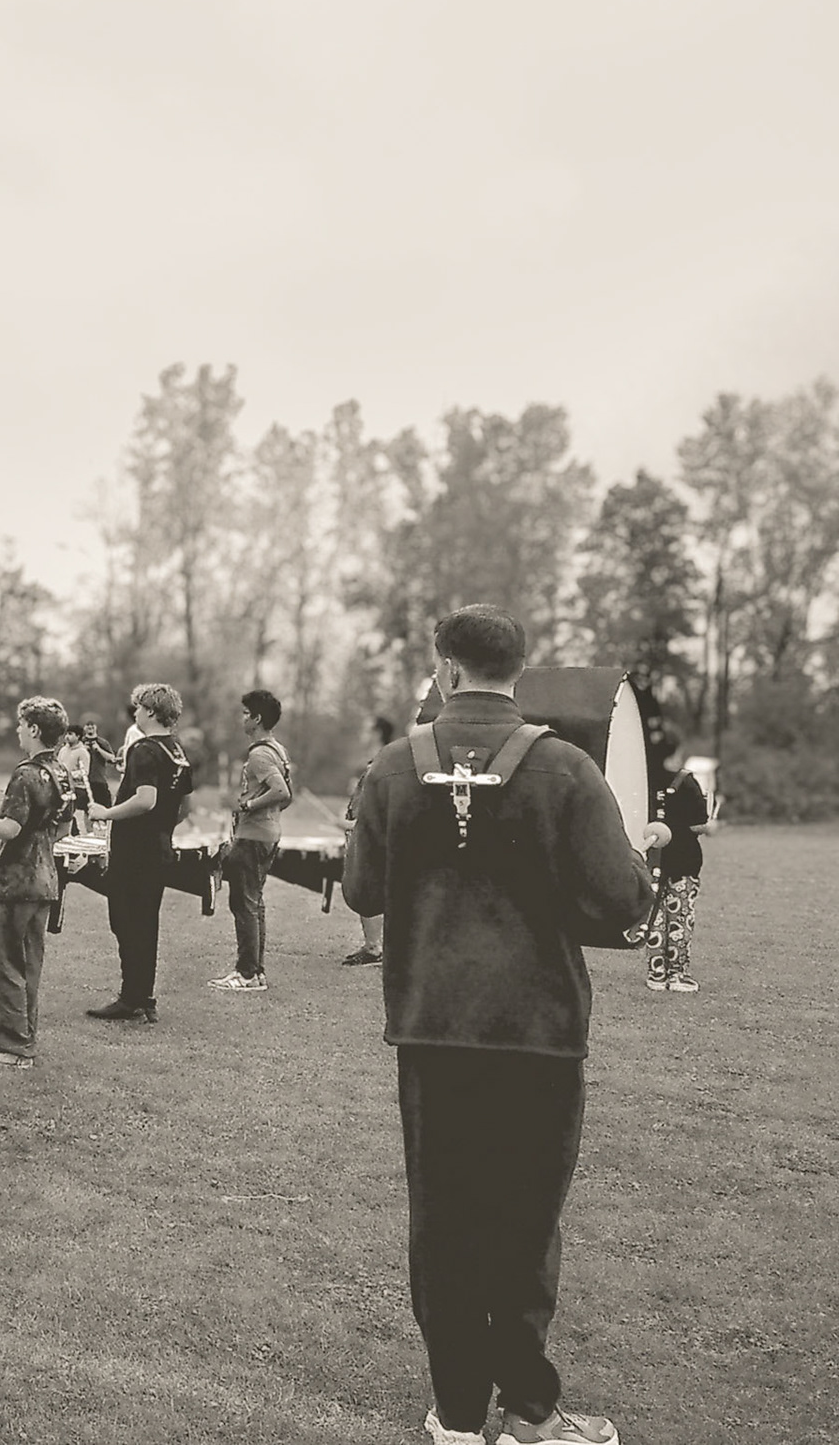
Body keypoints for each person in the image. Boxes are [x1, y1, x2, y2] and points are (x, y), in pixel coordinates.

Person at [345, 604, 651, 1445]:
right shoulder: (566, 768)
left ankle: (453, 1411)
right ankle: (529, 1412)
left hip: (432, 1028)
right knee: (524, 1217)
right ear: (521, 670)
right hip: (538, 1029)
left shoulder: (391, 768)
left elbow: (364, 892)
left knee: (442, 1217)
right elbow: (620, 900)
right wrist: (637, 852)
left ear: (443, 668)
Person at [0, 696, 72, 1071]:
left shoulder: (25, 774)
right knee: (29, 964)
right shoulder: (61, 772)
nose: (17, 730)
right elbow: (63, 826)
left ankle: (10, 1047)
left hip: (15, 881)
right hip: (46, 879)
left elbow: (10, 828)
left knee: (2, 962)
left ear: (33, 729)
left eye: (20, 724)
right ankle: (25, 1041)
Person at [86, 683, 190, 1023]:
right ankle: (144, 998)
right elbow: (184, 807)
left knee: (126, 921)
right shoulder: (177, 750)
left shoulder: (144, 749)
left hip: (135, 852)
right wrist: (162, 829)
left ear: (149, 711)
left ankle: (131, 999)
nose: (135, 713)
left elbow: (146, 799)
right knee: (146, 923)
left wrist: (105, 813)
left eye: (138, 708)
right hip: (159, 848)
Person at [211, 688, 292, 993]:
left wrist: (244, 806)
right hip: (267, 834)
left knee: (244, 905)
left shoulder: (259, 754)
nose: (241, 718)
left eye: (246, 713)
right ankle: (254, 972)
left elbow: (281, 791)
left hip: (253, 838)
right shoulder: (278, 750)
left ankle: (246, 974)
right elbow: (286, 797)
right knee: (254, 904)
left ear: (257, 719)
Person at [631, 739, 715, 994]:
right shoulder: (686, 781)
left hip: (652, 861)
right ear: (675, 753)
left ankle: (656, 973)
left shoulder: (644, 780)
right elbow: (699, 824)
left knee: (654, 915)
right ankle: (677, 974)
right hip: (684, 862)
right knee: (679, 918)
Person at [341, 716, 396, 967]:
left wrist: (352, 825)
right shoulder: (376, 762)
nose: (362, 733)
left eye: (366, 729)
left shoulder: (381, 764)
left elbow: (375, 808)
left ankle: (374, 949)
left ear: (376, 733)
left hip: (370, 836)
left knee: (368, 885)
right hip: (363, 833)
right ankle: (371, 945)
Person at [55, 724, 94, 831]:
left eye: (70, 734)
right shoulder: (63, 750)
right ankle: (71, 830)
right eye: (66, 734)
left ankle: (76, 830)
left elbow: (85, 771)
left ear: (78, 736)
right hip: (63, 786)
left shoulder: (82, 752)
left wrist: (69, 775)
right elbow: (58, 765)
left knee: (68, 809)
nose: (67, 736)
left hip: (78, 788)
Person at [82, 719, 120, 809]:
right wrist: (83, 750)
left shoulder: (103, 742)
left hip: (99, 781)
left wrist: (99, 749)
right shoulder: (79, 742)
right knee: (87, 810)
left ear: (96, 727)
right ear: (84, 728)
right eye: (88, 725)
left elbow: (112, 758)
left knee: (104, 808)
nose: (90, 727)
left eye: (92, 725)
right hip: (84, 782)